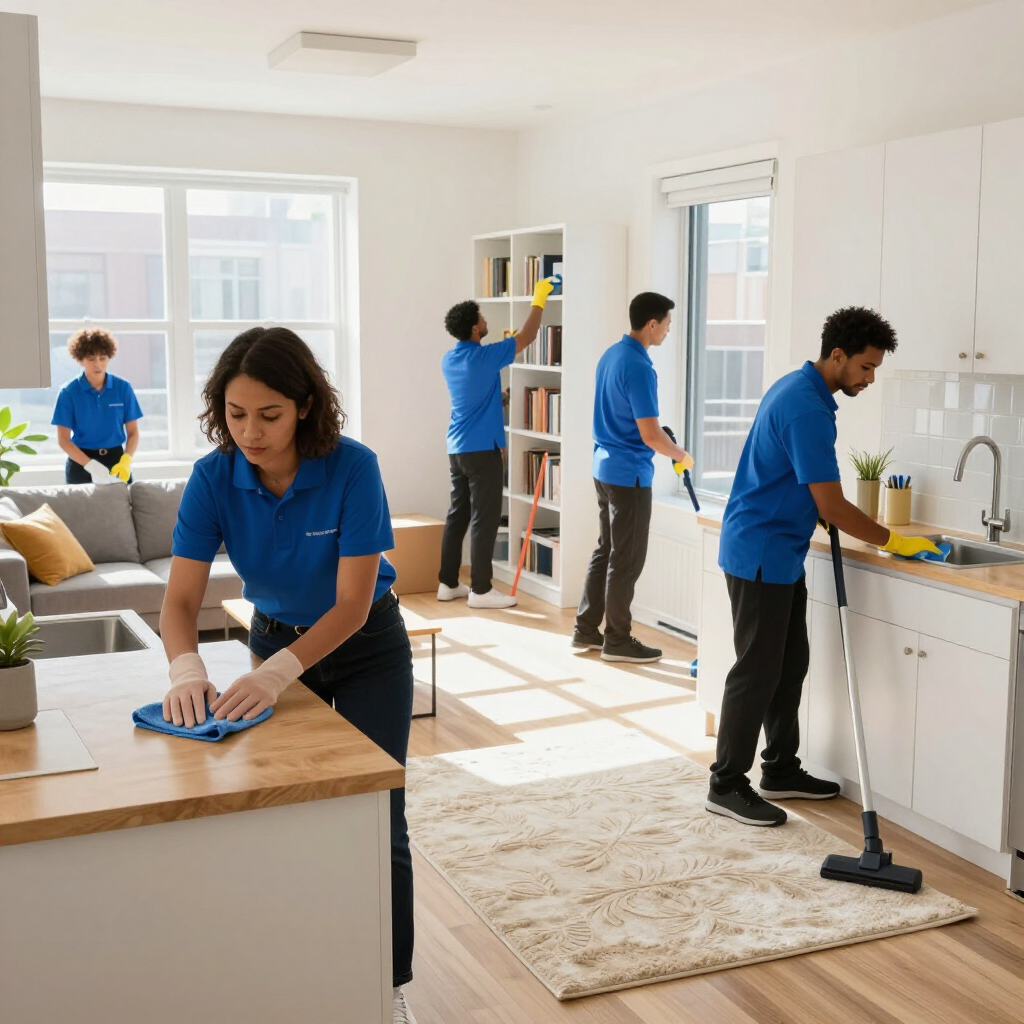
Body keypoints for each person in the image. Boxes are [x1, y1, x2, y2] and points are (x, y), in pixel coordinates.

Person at [158, 327, 418, 1024]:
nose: (251, 432)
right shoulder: (214, 477)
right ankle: (293, 966)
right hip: (272, 639)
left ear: (304, 405)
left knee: (378, 816)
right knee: (279, 809)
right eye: (236, 414)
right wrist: (185, 669)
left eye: (269, 415)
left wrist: (278, 676)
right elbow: (179, 602)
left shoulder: (353, 468)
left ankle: (386, 985)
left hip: (365, 648)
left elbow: (353, 604)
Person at [707, 306, 941, 828]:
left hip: (780, 551)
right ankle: (725, 783)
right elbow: (832, 504)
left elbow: (795, 479)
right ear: (838, 355)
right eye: (865, 367)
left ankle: (779, 769)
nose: (870, 378)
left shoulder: (801, 389)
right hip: (761, 553)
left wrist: (813, 509)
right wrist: (893, 540)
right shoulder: (806, 408)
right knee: (757, 671)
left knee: (790, 665)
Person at [573, 292, 693, 664]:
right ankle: (618, 640)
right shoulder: (640, 367)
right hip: (630, 477)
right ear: (652, 324)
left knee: (606, 550)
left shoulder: (611, 355)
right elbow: (651, 435)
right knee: (626, 560)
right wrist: (681, 455)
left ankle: (586, 629)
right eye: (667, 323)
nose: (669, 330)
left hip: (603, 469)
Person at [438, 276, 559, 609]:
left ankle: (448, 583)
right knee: (485, 518)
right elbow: (528, 336)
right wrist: (539, 299)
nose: (485, 320)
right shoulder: (486, 357)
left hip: (457, 449)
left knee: (458, 515)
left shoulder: (450, 360)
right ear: (475, 328)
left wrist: (499, 398)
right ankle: (480, 590)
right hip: (482, 451)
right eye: (481, 317)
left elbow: (473, 396)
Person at [52, 327, 142, 485]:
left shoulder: (123, 388)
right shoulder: (68, 393)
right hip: (81, 463)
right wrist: (91, 466)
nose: (98, 364)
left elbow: (133, 432)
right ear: (80, 360)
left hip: (116, 461)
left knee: (120, 502)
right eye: (91, 358)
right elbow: (63, 440)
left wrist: (126, 459)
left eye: (103, 358)